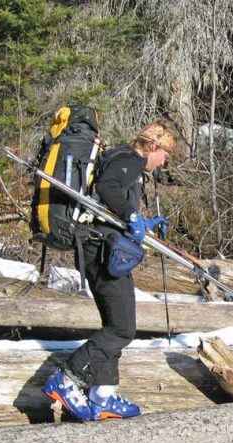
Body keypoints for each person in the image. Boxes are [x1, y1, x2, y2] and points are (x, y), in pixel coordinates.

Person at [43, 120, 176, 421]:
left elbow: (110, 202)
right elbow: (107, 187)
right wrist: (132, 215)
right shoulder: (130, 159)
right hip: (100, 252)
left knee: (114, 324)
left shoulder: (122, 161)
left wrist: (144, 223)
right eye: (165, 154)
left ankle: (101, 395)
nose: (165, 162)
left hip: (100, 250)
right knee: (122, 328)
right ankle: (67, 377)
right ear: (154, 145)